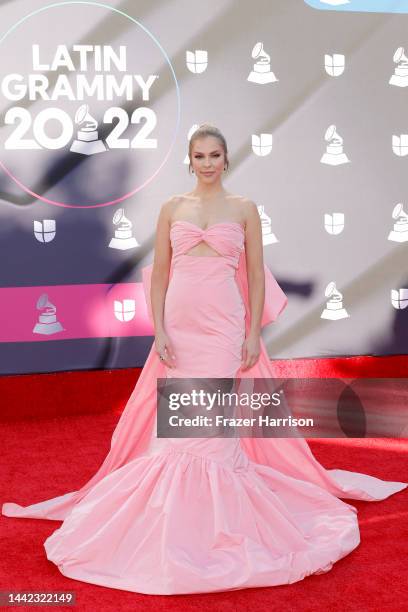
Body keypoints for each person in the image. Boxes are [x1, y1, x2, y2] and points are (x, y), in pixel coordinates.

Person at [2, 124, 406, 595]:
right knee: (177, 435)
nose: (208, 163)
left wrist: (252, 332)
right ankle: (171, 525)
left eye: (215, 155)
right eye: (200, 155)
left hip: (225, 326)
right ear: (190, 161)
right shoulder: (173, 208)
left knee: (212, 436)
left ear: (225, 160)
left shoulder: (244, 209)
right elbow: (159, 276)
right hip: (182, 325)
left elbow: (255, 274)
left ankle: (217, 531)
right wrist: (161, 329)